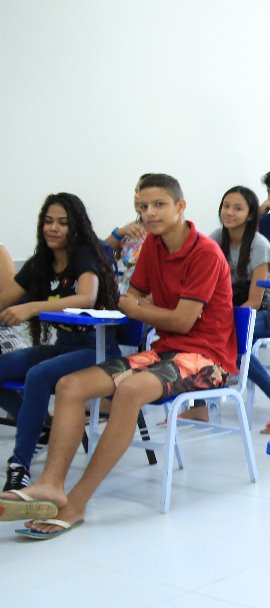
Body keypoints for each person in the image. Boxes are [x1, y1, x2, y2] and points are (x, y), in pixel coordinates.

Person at [0, 174, 236, 537]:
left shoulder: (205, 251)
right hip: (164, 352)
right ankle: (50, 483)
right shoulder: (153, 248)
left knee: (130, 390)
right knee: (70, 385)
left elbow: (181, 320)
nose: (149, 213)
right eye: (142, 207)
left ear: (180, 207)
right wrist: (144, 307)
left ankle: (77, 502)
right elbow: (132, 298)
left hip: (208, 359)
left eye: (158, 205)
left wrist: (143, 309)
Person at [0, 194, 120, 492]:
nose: (53, 228)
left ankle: (19, 466)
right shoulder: (40, 262)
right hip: (64, 346)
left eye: (62, 223)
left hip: (97, 350)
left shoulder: (83, 255)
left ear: (75, 227)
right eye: (48, 221)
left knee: (37, 375)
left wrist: (32, 307)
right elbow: (4, 301)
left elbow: (86, 298)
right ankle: (41, 424)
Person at [205, 186, 270, 433]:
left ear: (249, 215)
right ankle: (200, 405)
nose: (229, 212)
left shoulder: (259, 245)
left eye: (238, 208)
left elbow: (255, 302)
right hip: (239, 313)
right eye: (226, 206)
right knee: (205, 334)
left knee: (231, 337)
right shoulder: (214, 240)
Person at [103, 173, 153, 289]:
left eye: (141, 192)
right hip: (121, 293)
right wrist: (119, 233)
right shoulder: (130, 228)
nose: (136, 196)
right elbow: (100, 254)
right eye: (135, 192)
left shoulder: (164, 233)